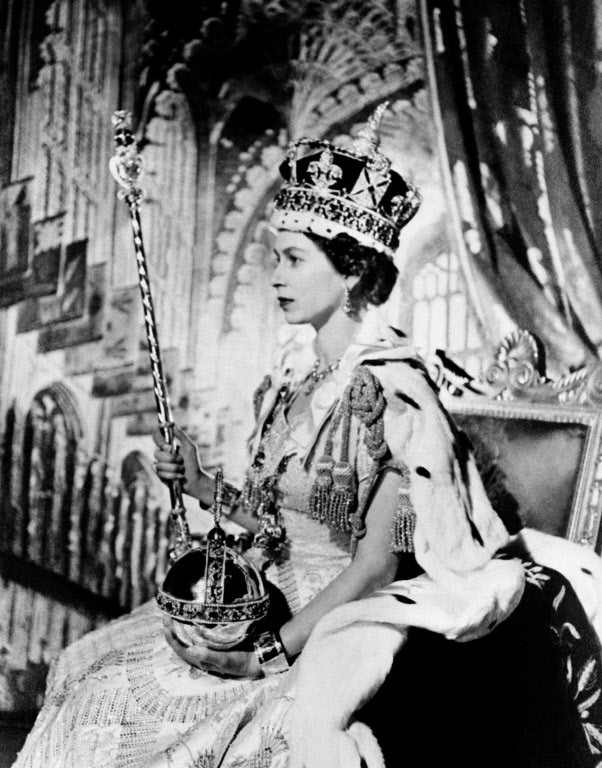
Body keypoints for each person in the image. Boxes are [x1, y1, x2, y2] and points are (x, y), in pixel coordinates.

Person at [13, 104, 602, 768]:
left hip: (336, 616)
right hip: (263, 591)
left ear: (350, 270)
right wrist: (206, 487)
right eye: (273, 257)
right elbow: (277, 522)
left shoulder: (394, 394)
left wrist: (265, 654)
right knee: (87, 671)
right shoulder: (289, 383)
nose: (276, 275)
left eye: (293, 259)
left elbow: (374, 563)